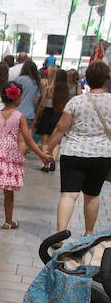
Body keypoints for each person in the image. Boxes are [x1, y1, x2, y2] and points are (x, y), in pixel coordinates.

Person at [45, 60, 111, 235]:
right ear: (107, 80)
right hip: (102, 155)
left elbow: (60, 128)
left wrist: (48, 148)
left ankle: (59, 234)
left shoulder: (77, 101)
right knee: (92, 195)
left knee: (68, 195)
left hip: (73, 153)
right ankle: (88, 233)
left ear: (87, 79)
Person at [0, 82, 51, 236]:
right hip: (10, 157)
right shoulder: (20, 117)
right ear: (17, 99)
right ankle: (8, 221)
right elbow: (28, 140)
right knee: (8, 192)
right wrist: (42, 155)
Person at [35, 67, 69, 172]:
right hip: (59, 115)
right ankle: (53, 159)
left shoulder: (49, 88)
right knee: (56, 142)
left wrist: (37, 117)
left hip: (47, 114)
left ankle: (46, 165)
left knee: (45, 141)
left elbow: (41, 105)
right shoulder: (66, 91)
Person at [15, 59, 41, 134]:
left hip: (16, 112)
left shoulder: (18, 80)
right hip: (29, 114)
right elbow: (35, 101)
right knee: (24, 139)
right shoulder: (35, 82)